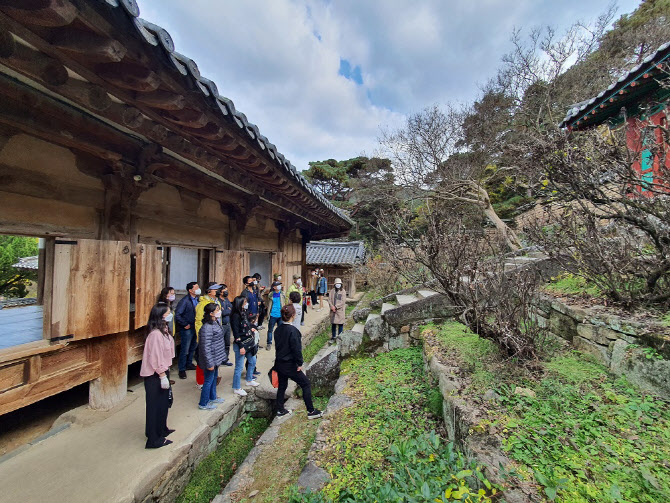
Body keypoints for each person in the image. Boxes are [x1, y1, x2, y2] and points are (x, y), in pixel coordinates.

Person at [273, 304, 323, 419]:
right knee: (305, 384)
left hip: (279, 363)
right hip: (290, 364)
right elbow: (296, 349)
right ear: (293, 316)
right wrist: (299, 363)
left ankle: (280, 409)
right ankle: (311, 411)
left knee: (282, 386)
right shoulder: (293, 331)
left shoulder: (278, 329)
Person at [140, 303, 175, 448]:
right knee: (155, 406)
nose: (170, 314)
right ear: (161, 315)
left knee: (163, 404)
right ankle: (154, 439)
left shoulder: (164, 330)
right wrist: (162, 375)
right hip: (155, 374)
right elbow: (155, 357)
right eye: (168, 312)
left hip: (163, 370)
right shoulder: (155, 334)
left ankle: (161, 429)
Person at [197, 303, 229, 410]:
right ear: (211, 313)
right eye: (217, 310)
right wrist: (209, 363)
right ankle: (203, 403)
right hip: (210, 359)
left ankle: (212, 397)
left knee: (213, 378)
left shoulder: (215, 322)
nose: (219, 311)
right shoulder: (207, 327)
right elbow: (205, 347)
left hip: (216, 357)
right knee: (208, 380)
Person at [194, 282, 223, 387]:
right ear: (209, 291)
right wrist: (200, 337)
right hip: (206, 335)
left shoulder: (216, 301)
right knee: (202, 359)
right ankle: (200, 382)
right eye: (216, 290)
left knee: (213, 359)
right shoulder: (203, 303)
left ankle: (211, 381)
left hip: (215, 334)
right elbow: (198, 321)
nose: (218, 291)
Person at [230, 295, 260, 396]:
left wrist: (251, 328)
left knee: (252, 361)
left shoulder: (244, 313)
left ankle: (249, 379)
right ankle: (236, 387)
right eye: (245, 302)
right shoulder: (235, 316)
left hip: (249, 342)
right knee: (239, 366)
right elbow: (236, 333)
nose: (246, 304)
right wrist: (240, 346)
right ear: (240, 304)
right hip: (241, 344)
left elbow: (247, 324)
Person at [174, 281, 200, 379]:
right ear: (190, 290)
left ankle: (189, 364)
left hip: (195, 327)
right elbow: (178, 314)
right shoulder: (185, 301)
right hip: (187, 329)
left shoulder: (197, 299)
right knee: (185, 349)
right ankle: (182, 369)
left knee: (193, 347)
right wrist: (185, 324)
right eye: (196, 287)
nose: (198, 289)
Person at [265, 280, 286, 350]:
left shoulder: (282, 294)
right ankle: (269, 343)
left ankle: (280, 343)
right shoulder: (271, 294)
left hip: (280, 315)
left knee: (280, 330)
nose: (279, 286)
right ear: (274, 287)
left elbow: (285, 302)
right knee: (270, 330)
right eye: (277, 285)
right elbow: (267, 302)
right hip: (272, 314)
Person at [216, 284, 234, 367]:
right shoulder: (218, 301)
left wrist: (227, 311)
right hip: (221, 325)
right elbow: (221, 313)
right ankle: (218, 360)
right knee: (219, 343)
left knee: (227, 343)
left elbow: (232, 308)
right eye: (224, 290)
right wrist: (227, 311)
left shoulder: (226, 300)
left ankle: (225, 359)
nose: (226, 292)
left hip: (228, 324)